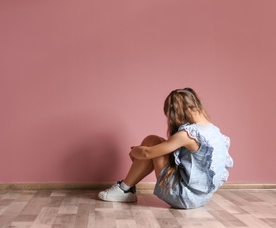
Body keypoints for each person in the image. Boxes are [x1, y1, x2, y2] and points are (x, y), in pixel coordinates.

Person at [98, 88, 233, 209]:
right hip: (202, 199)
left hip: (182, 197)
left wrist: (134, 151)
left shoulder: (187, 135)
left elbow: (147, 152)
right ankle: (126, 189)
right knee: (157, 143)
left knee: (152, 141)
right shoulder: (214, 132)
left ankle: (124, 189)